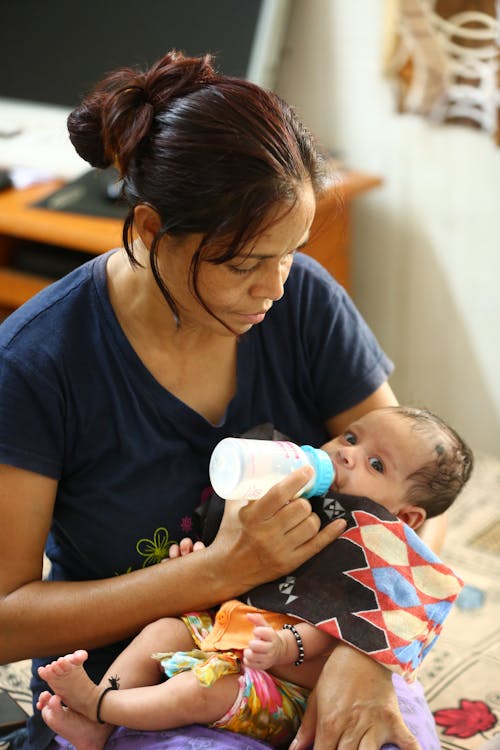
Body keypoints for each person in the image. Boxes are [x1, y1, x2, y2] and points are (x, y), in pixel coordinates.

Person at [0, 48, 447, 750]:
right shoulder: (37, 365)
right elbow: (5, 618)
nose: (273, 288)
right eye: (244, 265)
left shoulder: (302, 302)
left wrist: (368, 653)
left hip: (302, 649)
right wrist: (219, 572)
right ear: (151, 232)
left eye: (290, 252)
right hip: (140, 687)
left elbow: (413, 486)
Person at [35, 405, 473, 749]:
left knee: (204, 692)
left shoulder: (378, 560)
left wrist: (287, 645)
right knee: (161, 631)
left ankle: (102, 706)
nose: (346, 452)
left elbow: (344, 629)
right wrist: (193, 566)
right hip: (226, 634)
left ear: (406, 516)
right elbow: (237, 572)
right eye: (351, 437)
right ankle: (97, 725)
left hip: (285, 687)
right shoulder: (292, 503)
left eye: (375, 464)